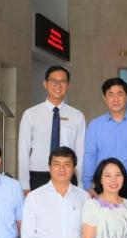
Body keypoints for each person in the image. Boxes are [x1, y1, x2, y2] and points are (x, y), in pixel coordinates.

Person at [18, 65, 85, 193]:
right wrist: (24, 184)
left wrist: (80, 182)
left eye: (63, 81)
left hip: (67, 174)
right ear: (45, 84)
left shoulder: (77, 116)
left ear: (68, 85)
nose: (58, 85)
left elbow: (80, 152)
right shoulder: (30, 114)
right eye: (54, 81)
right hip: (38, 174)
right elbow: (23, 150)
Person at [83, 77, 127, 199]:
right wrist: (87, 184)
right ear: (104, 98)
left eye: (120, 94)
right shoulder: (95, 125)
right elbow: (90, 155)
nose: (115, 99)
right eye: (111, 95)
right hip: (103, 181)